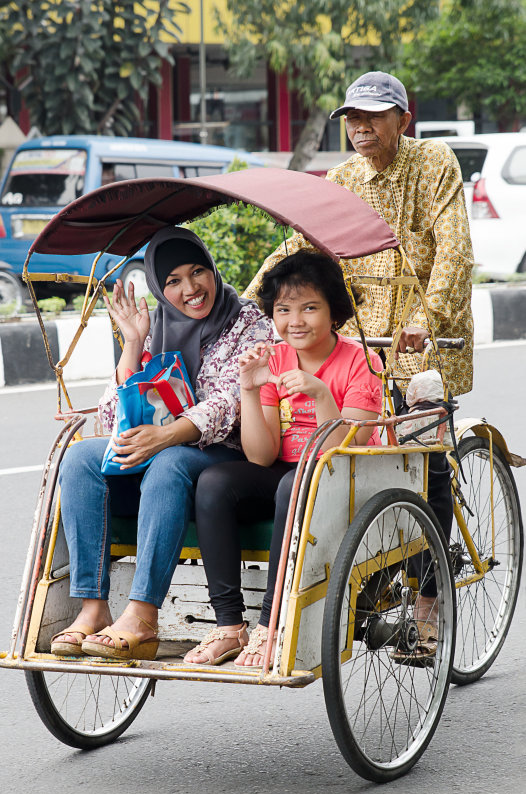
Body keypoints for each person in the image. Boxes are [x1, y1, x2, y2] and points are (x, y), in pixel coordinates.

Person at [245, 71, 474, 660]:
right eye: (352, 118)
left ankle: (427, 598)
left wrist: (431, 314)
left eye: (374, 116)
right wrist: (247, 301)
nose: (360, 127)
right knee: (351, 456)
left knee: (426, 458)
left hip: (421, 338)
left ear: (405, 118)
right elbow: (295, 248)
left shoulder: (435, 163)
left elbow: (453, 252)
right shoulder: (341, 177)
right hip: (355, 337)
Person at [51, 226, 274, 659]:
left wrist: (166, 436)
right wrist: (133, 345)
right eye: (172, 281)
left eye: (197, 272)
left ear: (213, 268)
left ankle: (142, 614)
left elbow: (229, 403)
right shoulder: (158, 329)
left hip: (222, 456)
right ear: (158, 287)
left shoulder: (249, 322)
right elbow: (113, 418)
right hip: (157, 447)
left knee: (170, 460)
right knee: (80, 457)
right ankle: (93, 607)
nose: (190, 289)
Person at [184, 250, 383, 667]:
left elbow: (342, 449)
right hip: (286, 469)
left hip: (345, 473)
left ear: (334, 312)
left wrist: (321, 394)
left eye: (310, 308)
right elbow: (261, 456)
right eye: (284, 309)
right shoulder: (272, 359)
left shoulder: (362, 361)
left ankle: (270, 627)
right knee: (216, 481)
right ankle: (228, 625)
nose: (296, 320)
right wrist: (250, 389)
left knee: (297, 483)